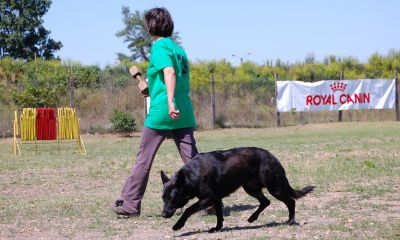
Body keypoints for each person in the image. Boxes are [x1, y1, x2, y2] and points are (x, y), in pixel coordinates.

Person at [111, 7, 198, 217]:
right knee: (195, 161)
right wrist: (150, 87)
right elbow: (172, 77)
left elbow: (169, 72)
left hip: (163, 111)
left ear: (151, 27)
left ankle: (130, 204)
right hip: (184, 110)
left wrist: (168, 101)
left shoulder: (159, 47)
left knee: (144, 159)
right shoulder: (179, 50)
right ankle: (212, 201)